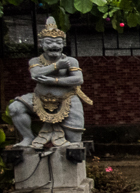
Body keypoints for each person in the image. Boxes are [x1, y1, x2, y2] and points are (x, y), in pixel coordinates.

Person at [8, 16, 92, 149]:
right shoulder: (35, 61)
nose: (54, 46)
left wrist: (54, 80)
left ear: (63, 44)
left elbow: (78, 79)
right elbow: (35, 74)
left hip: (67, 99)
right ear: (41, 44)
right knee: (15, 108)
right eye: (49, 42)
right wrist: (56, 66)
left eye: (58, 43)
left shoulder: (71, 61)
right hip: (40, 98)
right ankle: (28, 137)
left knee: (74, 140)